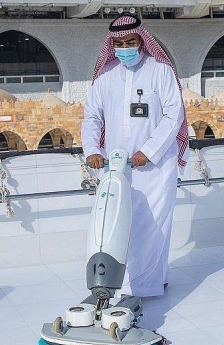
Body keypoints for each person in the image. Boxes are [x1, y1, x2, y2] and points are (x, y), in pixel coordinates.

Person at [81, 15, 189, 297]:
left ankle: (141, 289)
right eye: (119, 43)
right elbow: (92, 117)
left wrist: (149, 151)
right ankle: (146, 280)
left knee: (152, 227)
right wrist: (93, 150)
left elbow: (173, 116)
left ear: (142, 40)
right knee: (119, 226)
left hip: (156, 167)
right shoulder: (105, 77)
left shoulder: (160, 71)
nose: (125, 47)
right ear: (112, 45)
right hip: (118, 168)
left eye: (131, 41)